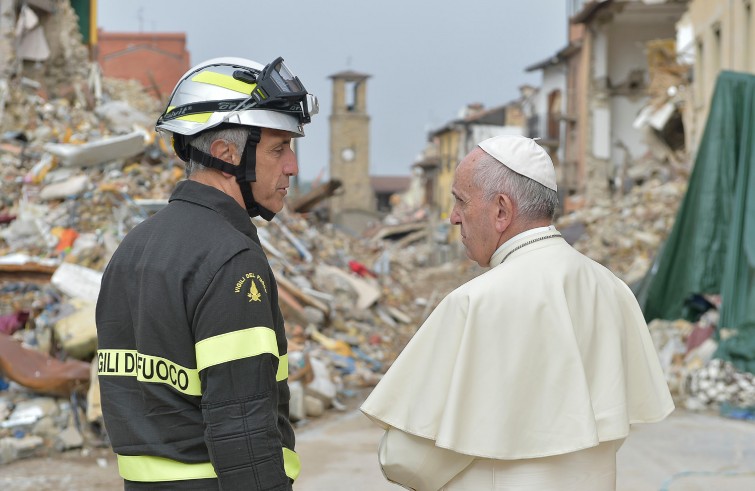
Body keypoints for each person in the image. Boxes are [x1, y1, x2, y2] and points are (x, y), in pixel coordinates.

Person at [361, 135, 674, 491]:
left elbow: (409, 460)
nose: (453, 218)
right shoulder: (612, 288)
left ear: (501, 211)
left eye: (461, 202)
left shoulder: (476, 303)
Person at [96, 56, 318, 490]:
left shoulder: (133, 248)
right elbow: (244, 432)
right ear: (225, 154)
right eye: (278, 148)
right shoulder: (231, 260)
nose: (291, 166)